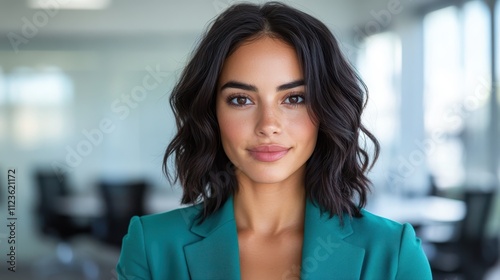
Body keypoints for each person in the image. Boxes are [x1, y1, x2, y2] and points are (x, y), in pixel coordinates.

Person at [117, 2, 432, 279]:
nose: (268, 125)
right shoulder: (152, 247)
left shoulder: (393, 253)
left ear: (326, 110)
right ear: (211, 113)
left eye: (294, 98)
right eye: (241, 100)